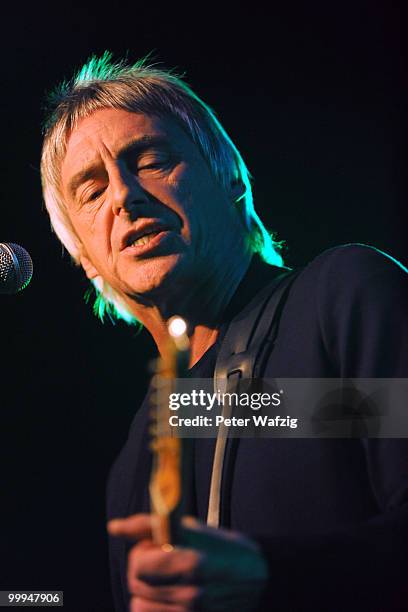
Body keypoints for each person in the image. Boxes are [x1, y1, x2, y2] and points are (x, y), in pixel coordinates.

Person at [41, 52, 408, 611]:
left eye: (151, 160)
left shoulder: (341, 297)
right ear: (85, 259)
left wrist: (269, 574)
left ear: (229, 176)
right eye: (91, 191)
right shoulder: (136, 455)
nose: (123, 195)